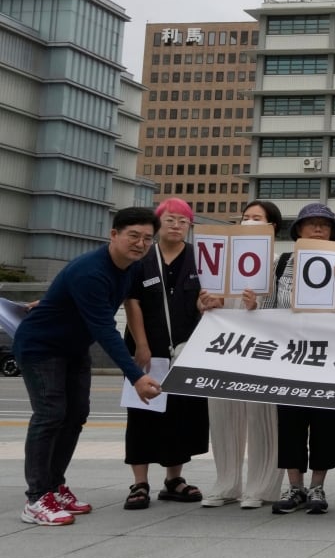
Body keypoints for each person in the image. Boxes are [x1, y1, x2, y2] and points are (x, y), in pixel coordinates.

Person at [13, 207, 164, 525]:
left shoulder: (133, 267)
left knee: (76, 414)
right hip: (42, 347)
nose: (140, 243)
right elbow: (103, 328)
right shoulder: (91, 271)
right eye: (133, 236)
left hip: (73, 348)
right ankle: (36, 498)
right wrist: (135, 375)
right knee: (50, 415)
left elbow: (121, 303)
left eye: (147, 238)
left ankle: (55, 486)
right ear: (114, 235)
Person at [258, 203, 335, 515]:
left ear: (333, 232)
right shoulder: (283, 262)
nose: (316, 229)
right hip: (290, 356)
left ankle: (317, 487)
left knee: (326, 421)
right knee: (290, 421)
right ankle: (294, 486)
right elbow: (269, 306)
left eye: (323, 225)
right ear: (297, 229)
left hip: (328, 358)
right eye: (310, 224)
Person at [121, 198, 210, 509]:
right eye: (170, 219)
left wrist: (206, 303)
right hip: (147, 350)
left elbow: (206, 299)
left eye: (183, 221)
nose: (176, 225)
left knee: (182, 415)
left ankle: (174, 479)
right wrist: (141, 344)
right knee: (142, 412)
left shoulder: (200, 259)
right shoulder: (142, 258)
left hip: (188, 351)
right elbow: (132, 302)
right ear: (158, 224)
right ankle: (140, 482)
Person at [198, 200, 284, 509]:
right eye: (245, 218)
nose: (248, 223)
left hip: (262, 350)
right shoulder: (220, 260)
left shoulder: (280, 263)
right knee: (222, 416)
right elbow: (205, 304)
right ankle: (226, 483)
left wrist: (255, 305)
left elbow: (284, 309)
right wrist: (206, 303)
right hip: (224, 346)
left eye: (257, 219)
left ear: (271, 227)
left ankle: (261, 487)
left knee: (261, 417)